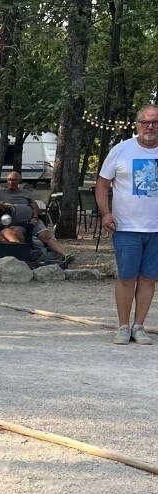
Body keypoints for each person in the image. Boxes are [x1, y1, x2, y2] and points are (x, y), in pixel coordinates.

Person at [96, 103, 158, 345]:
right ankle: (123, 326)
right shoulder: (121, 151)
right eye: (146, 122)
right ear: (137, 125)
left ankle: (139, 326)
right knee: (126, 277)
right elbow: (102, 184)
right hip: (127, 227)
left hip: (156, 229)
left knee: (149, 278)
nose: (150, 127)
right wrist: (105, 213)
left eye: (155, 122)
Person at [0, 171, 75, 263]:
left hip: (33, 221)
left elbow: (35, 207)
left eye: (14, 180)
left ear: (19, 182)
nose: (11, 182)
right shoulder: (0, 193)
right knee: (17, 232)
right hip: (16, 223)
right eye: (9, 180)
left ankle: (65, 255)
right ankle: (29, 254)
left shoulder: (25, 193)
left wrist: (35, 217)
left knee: (46, 236)